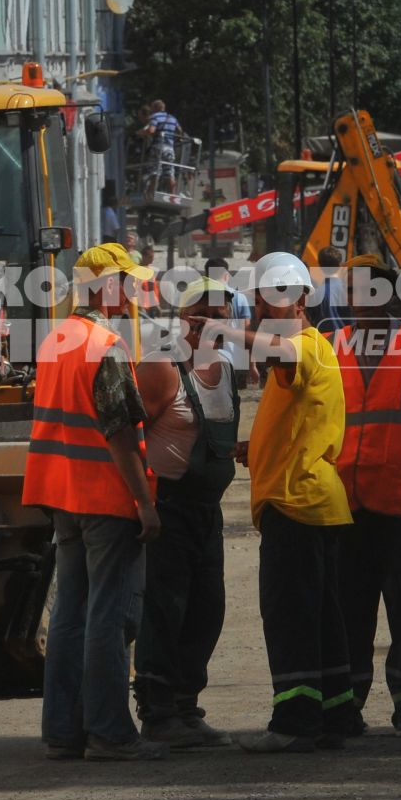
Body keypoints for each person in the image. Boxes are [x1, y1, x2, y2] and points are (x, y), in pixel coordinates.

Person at [24, 242, 167, 761]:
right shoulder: (104, 346)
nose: (133, 291)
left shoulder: (54, 340)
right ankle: (109, 731)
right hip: (105, 498)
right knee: (107, 616)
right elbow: (120, 436)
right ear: (106, 286)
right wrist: (145, 503)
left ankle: (63, 732)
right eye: (127, 281)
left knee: (68, 614)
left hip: (62, 497)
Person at [233, 251, 358, 753]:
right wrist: (255, 447)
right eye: (269, 299)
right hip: (314, 501)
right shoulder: (308, 346)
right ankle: (335, 715)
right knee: (322, 616)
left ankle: (296, 721)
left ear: (303, 300)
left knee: (291, 617)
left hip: (297, 504)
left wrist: (224, 334)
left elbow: (284, 361)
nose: (274, 307)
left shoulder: (304, 346)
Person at [333, 256, 401, 735]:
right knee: (349, 612)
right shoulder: (330, 346)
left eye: (367, 293)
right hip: (345, 506)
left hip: (400, 507)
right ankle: (349, 703)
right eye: (353, 294)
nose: (359, 303)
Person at [132, 278, 244, 748]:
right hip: (170, 509)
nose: (213, 321)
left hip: (206, 512)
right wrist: (142, 502)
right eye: (203, 311)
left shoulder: (226, 368)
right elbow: (126, 436)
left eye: (221, 312)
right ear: (184, 316)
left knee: (206, 611)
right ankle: (158, 714)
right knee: (164, 611)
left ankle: (186, 706)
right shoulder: (162, 366)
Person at [310, 245, 348, 334]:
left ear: (320, 266)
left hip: (325, 343)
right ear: (339, 265)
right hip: (347, 341)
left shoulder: (315, 294)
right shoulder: (348, 289)